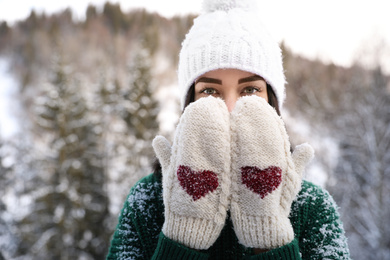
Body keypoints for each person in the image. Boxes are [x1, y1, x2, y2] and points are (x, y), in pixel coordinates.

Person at [106, 0, 351, 259]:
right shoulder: (146, 201)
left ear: (273, 102)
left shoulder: (313, 207)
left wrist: (270, 238)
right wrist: (182, 237)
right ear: (189, 103)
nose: (231, 107)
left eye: (251, 90)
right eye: (210, 91)